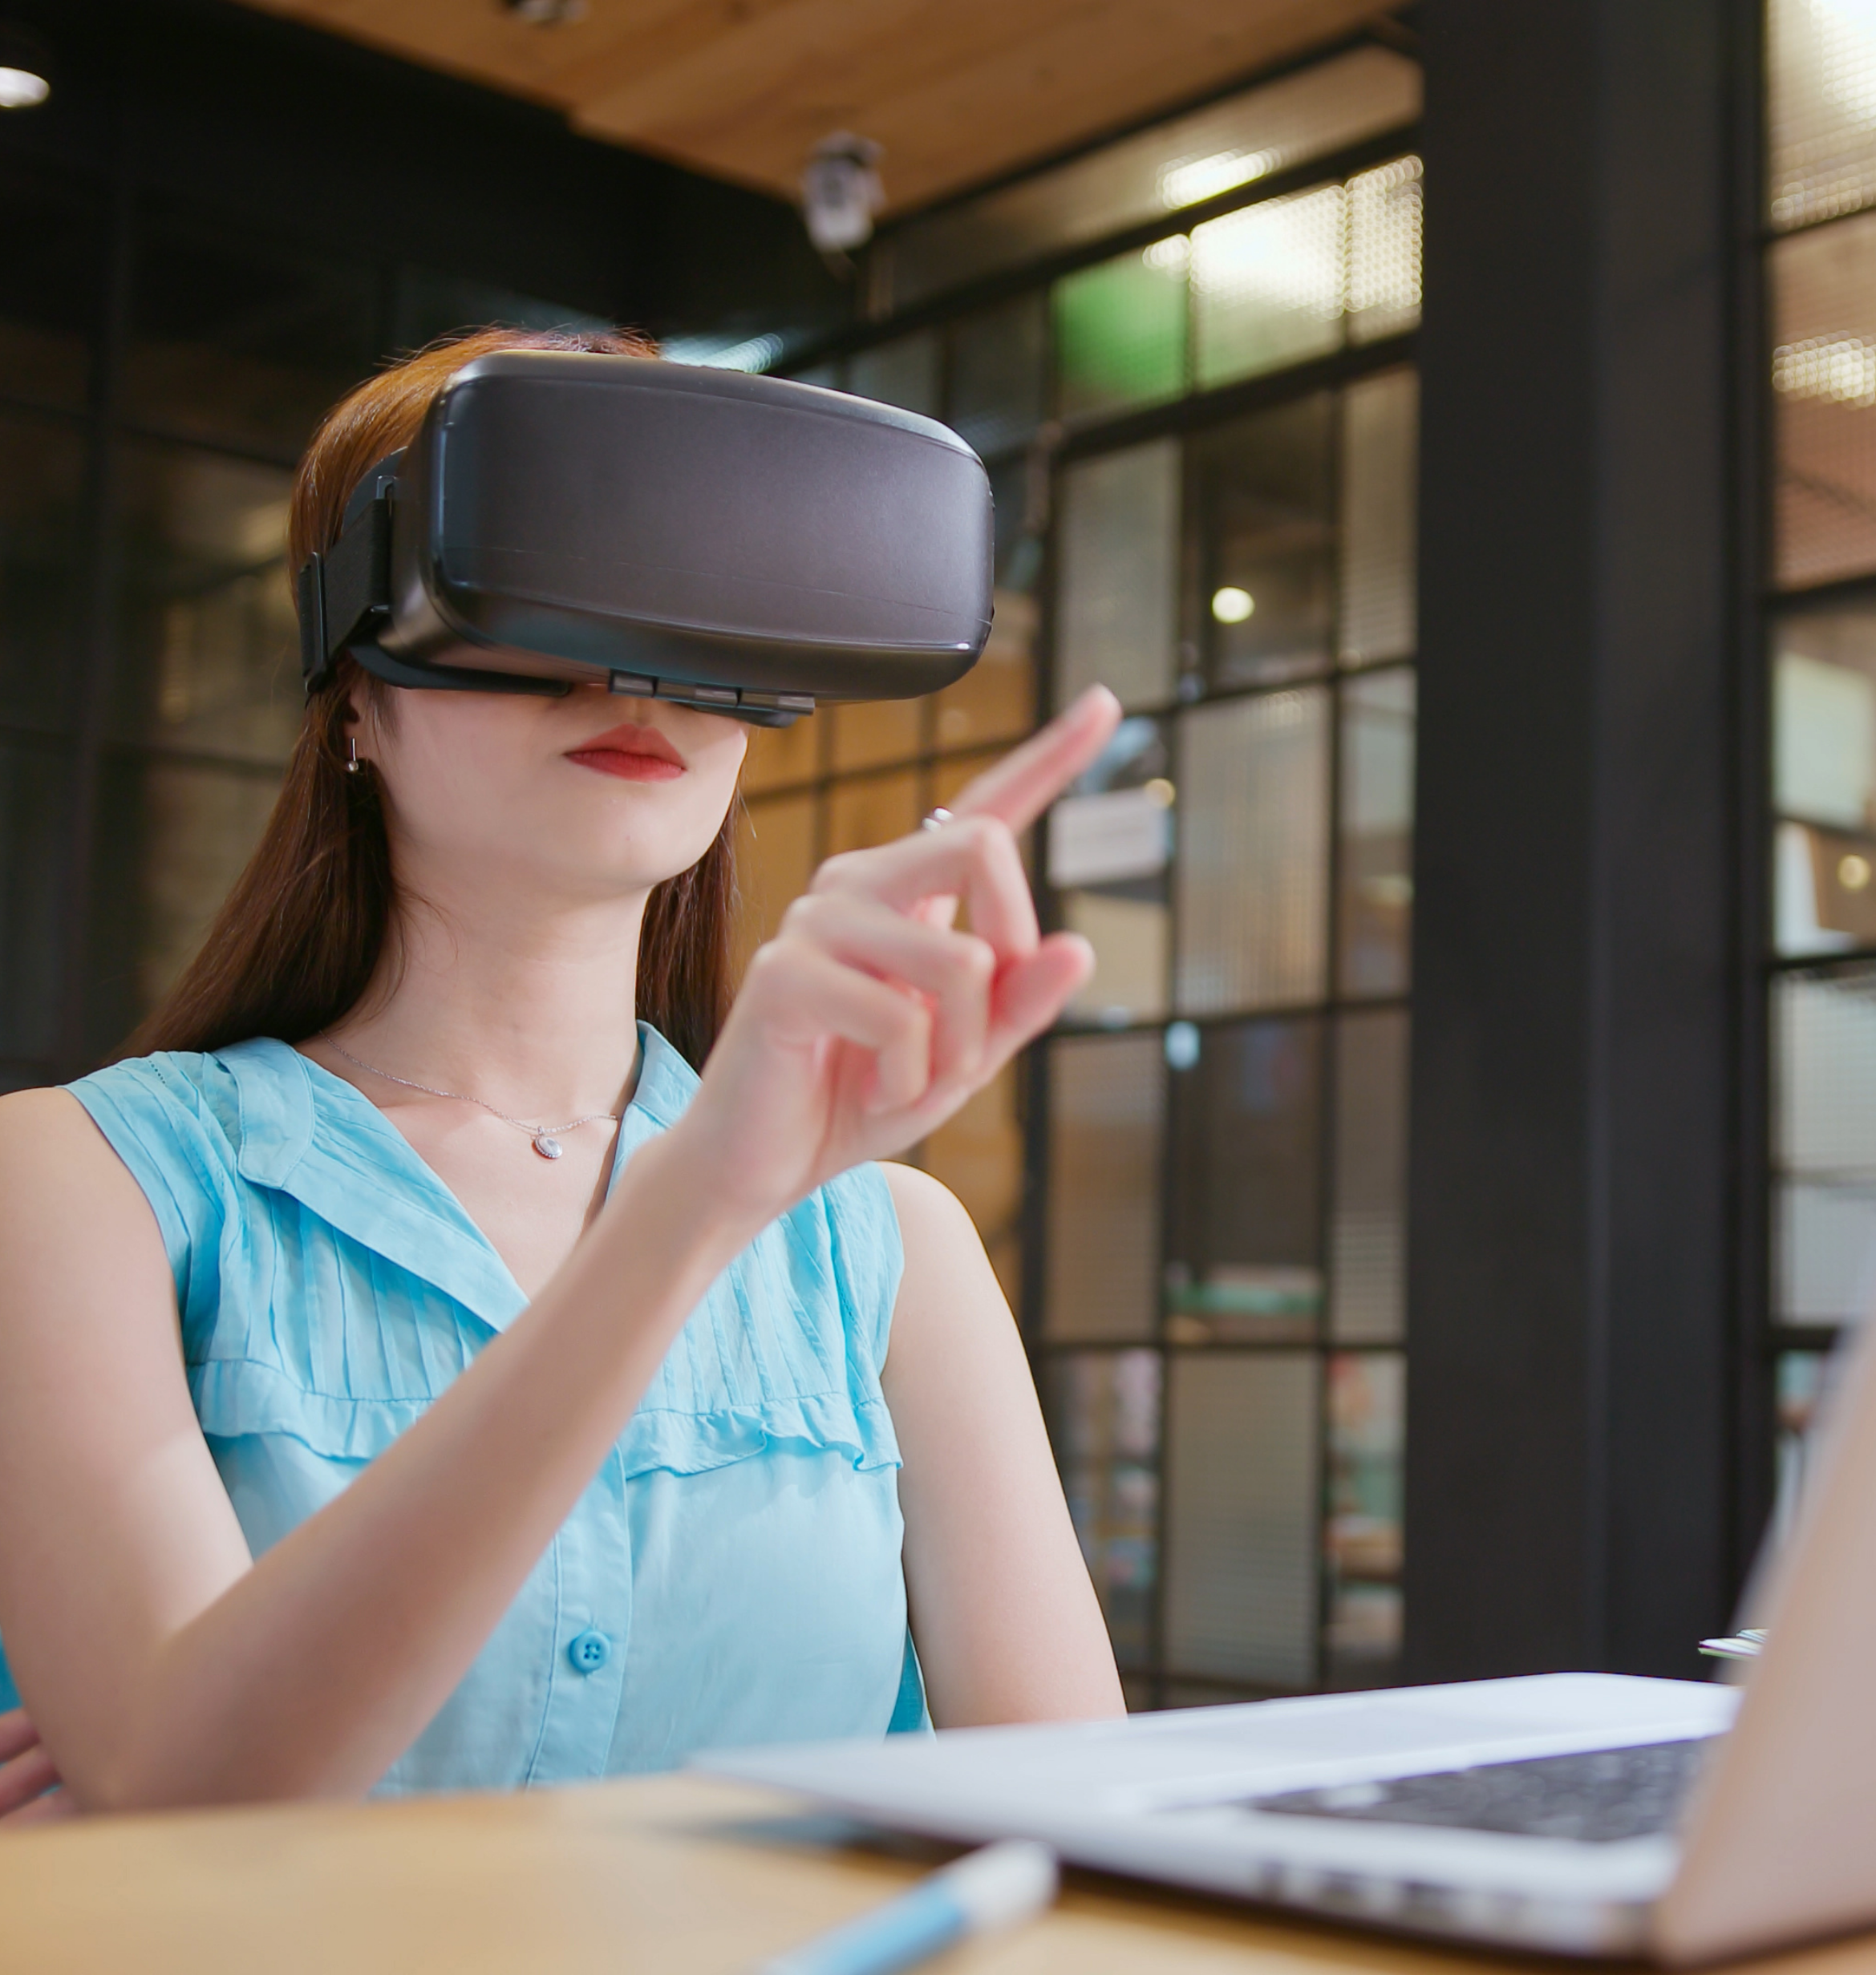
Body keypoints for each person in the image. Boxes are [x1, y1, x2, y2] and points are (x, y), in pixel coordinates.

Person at [0, 326, 1126, 1819]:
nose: (632, 669)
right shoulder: (86, 1183)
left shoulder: (888, 1252)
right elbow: (185, 1785)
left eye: (696, 596)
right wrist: (693, 1203)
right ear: (350, 691)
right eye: (546, 564)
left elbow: (1081, 1833)